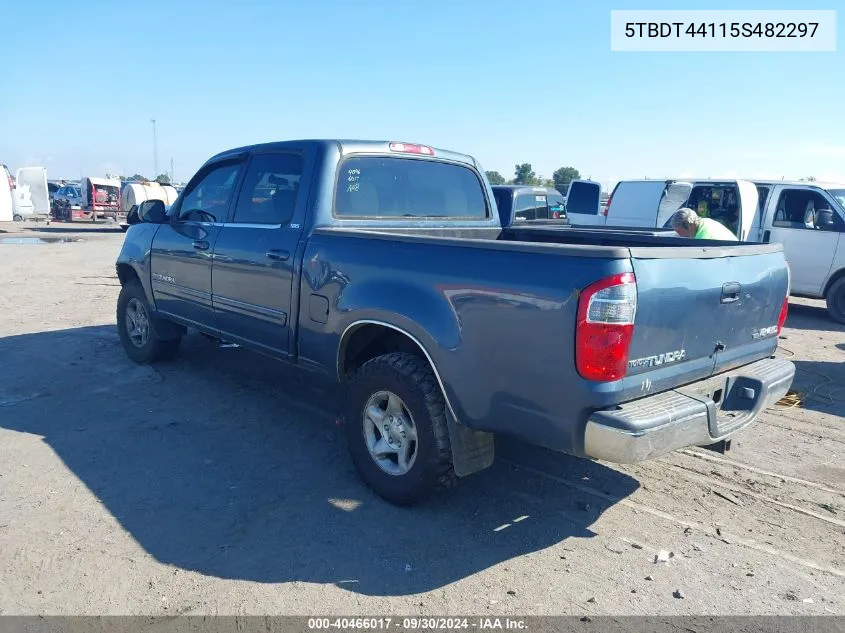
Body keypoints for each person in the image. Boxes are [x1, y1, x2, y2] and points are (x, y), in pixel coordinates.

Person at [670, 208, 738, 241]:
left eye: (680, 232)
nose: (680, 235)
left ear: (690, 225)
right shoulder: (706, 221)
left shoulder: (702, 239)